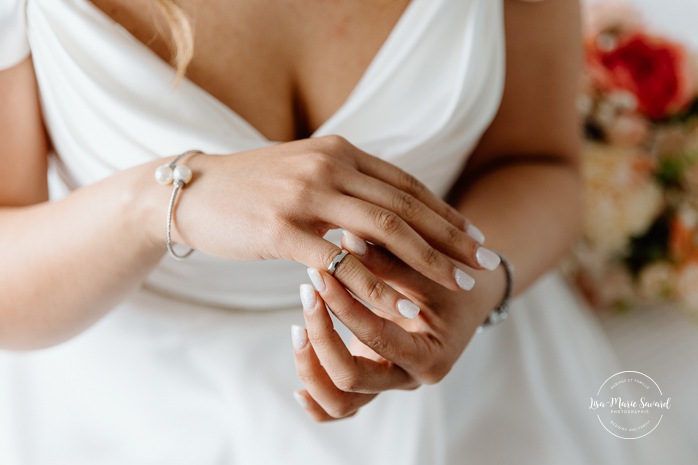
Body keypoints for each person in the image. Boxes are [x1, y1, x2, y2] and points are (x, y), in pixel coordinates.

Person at [0, 0, 685, 463]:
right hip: (123, 406)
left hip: (468, 391)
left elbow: (538, 163)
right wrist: (164, 201)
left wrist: (473, 281)